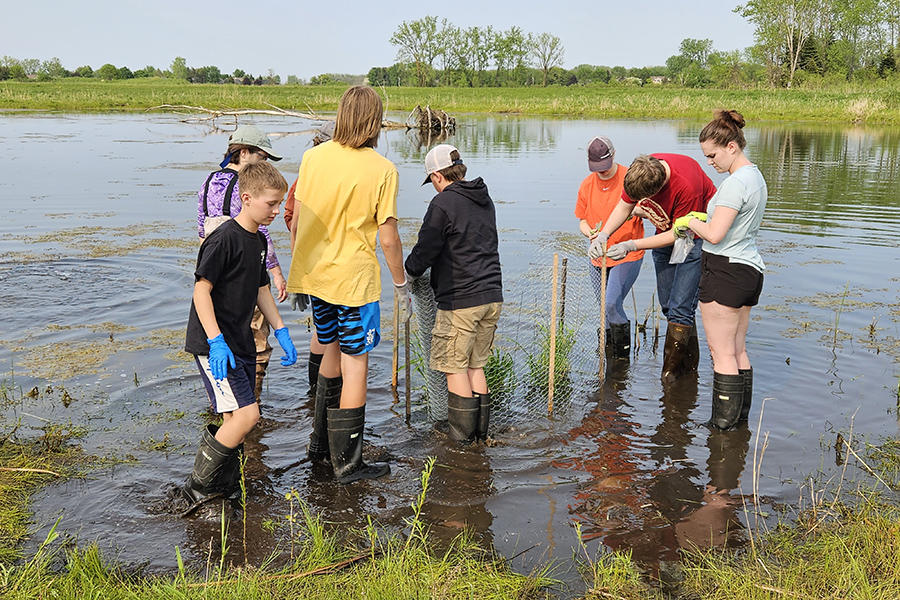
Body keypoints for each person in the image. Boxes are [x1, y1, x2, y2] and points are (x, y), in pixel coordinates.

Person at [287, 86, 410, 484]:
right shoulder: (383, 169)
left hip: (317, 276)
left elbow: (298, 219)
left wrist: (298, 272)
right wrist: (401, 284)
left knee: (330, 349)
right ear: (375, 121)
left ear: (341, 115)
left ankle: (319, 446)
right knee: (357, 366)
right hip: (354, 282)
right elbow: (388, 237)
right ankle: (348, 464)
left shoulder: (312, 157)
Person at [182, 161, 297, 503]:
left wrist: (281, 329)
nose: (277, 210)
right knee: (249, 415)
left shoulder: (258, 240)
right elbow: (201, 291)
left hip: (241, 341)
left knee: (236, 417)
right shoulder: (223, 240)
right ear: (246, 198)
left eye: (279, 203)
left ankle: (225, 485)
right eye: (271, 204)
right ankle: (198, 489)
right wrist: (215, 341)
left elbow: (261, 287)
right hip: (216, 343)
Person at [405, 144, 503, 444]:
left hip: (461, 300)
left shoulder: (443, 204)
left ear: (437, 176)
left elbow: (425, 250)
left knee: (453, 368)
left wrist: (408, 273)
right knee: (476, 365)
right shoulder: (483, 199)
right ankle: (482, 437)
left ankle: (461, 442)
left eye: (431, 181)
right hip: (492, 295)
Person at [676, 110, 766, 430]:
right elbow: (733, 224)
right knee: (738, 349)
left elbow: (714, 235)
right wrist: (706, 218)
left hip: (724, 270)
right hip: (749, 270)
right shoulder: (755, 177)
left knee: (721, 353)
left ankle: (721, 429)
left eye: (712, 155)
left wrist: (689, 221)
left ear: (731, 147)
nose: (709, 162)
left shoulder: (733, 184)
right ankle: (739, 424)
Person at [595, 152, 717, 383]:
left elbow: (677, 235)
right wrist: (603, 235)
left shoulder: (686, 187)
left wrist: (631, 245)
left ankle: (669, 377)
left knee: (681, 307)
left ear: (657, 189)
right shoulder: (642, 170)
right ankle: (688, 374)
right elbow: (624, 206)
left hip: (695, 237)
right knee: (669, 307)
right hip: (664, 230)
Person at [197, 124, 288, 401]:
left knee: (231, 341)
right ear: (245, 152)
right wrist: (276, 271)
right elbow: (257, 231)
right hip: (239, 268)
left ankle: (235, 408)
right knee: (256, 339)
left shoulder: (210, 181)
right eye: (263, 156)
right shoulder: (247, 189)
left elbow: (202, 228)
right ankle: (251, 403)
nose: (266, 164)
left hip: (218, 269)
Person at [576, 136, 644, 361]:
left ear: (614, 155)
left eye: (605, 167)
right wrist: (591, 234)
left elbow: (649, 209)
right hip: (598, 256)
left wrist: (636, 211)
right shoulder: (587, 184)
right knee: (604, 310)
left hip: (627, 253)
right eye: (597, 168)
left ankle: (622, 361)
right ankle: (606, 361)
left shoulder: (630, 178)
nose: (602, 172)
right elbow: (582, 221)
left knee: (612, 304)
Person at [283, 121, 335, 396]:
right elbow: (294, 223)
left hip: (318, 265)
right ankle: (320, 396)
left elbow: (291, 220)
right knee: (332, 335)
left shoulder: (309, 172)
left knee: (322, 329)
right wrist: (299, 274)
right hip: (324, 265)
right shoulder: (310, 175)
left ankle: (316, 396)